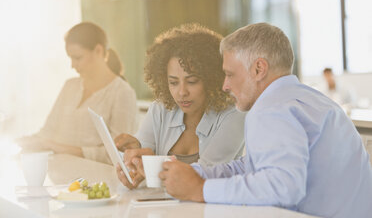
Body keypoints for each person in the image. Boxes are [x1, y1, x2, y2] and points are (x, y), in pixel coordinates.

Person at [158, 23, 372, 218]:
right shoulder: (315, 103)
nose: (225, 85)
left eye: (230, 74)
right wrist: (196, 174)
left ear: (259, 69)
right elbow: (254, 165)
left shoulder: (271, 109)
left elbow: (283, 188)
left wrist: (199, 189)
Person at [115, 23, 245, 189]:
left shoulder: (234, 114)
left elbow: (207, 174)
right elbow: (141, 158)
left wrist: (152, 168)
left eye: (192, 81)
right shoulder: (160, 109)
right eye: (173, 82)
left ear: (212, 80)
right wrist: (132, 164)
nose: (182, 92)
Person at [16, 22, 139, 164]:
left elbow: (119, 153)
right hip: (59, 175)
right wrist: (19, 142)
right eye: (70, 58)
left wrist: (58, 147)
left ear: (98, 51)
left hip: (97, 181)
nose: (72, 65)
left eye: (78, 58)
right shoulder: (70, 86)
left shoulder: (122, 93)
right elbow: (47, 133)